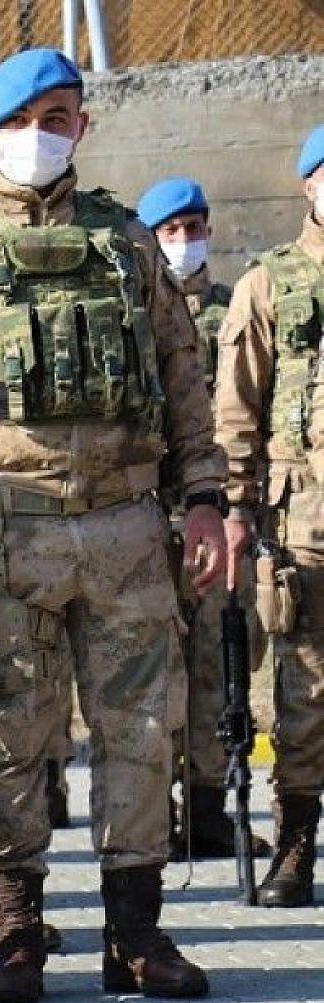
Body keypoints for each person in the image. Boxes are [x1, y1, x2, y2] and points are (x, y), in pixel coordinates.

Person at [0, 48, 227, 1003]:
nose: (42, 134)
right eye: (25, 119)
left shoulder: (125, 240)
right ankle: (15, 928)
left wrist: (206, 496)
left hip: (126, 528)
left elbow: (183, 375)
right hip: (9, 528)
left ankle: (136, 932)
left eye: (61, 116)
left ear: (83, 127)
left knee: (142, 732)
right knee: (9, 734)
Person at [135, 176, 271, 862]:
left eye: (195, 228)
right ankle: (153, 809)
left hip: (213, 511)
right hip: (150, 514)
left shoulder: (229, 309)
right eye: (171, 231)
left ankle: (209, 806)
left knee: (218, 660)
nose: (185, 241)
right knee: (154, 667)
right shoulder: (135, 315)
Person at [215, 124, 324, 908]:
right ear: (309, 184)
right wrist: (235, 506)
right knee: (306, 685)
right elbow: (237, 408)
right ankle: (296, 844)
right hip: (306, 518)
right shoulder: (270, 285)